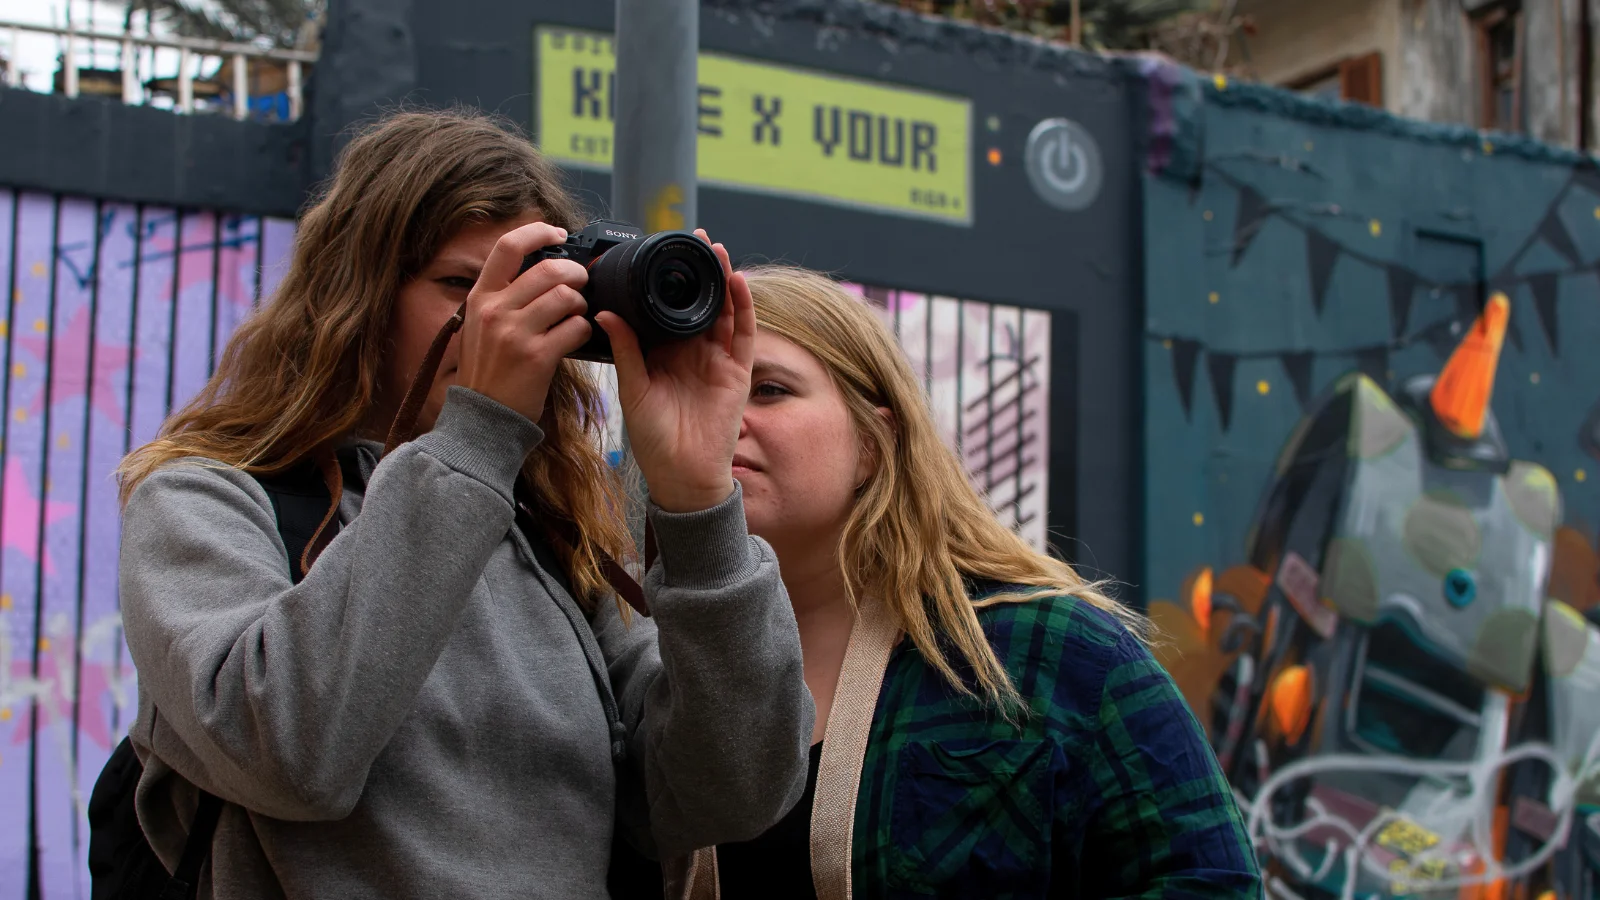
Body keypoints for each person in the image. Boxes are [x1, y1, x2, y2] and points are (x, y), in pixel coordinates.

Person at [114, 109, 813, 898]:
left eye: (526, 286)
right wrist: (477, 436)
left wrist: (698, 507)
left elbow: (732, 793)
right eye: (463, 284)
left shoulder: (552, 536)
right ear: (358, 295)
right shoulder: (206, 496)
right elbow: (289, 753)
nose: (498, 316)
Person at [668, 266, 1261, 899]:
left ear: (874, 442)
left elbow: (1209, 882)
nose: (726, 413)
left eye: (768, 389)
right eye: (702, 390)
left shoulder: (1049, 649)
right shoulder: (639, 654)